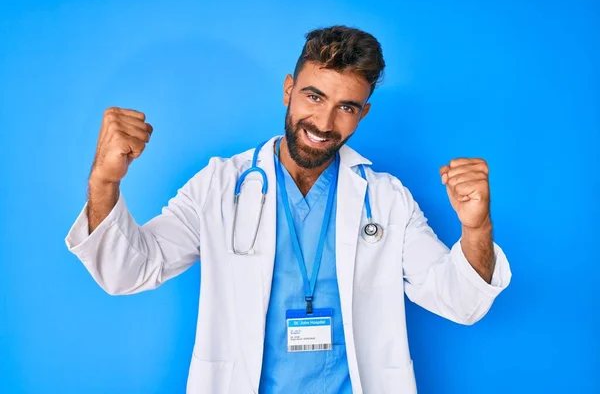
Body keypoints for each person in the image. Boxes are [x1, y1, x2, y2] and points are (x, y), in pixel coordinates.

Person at [65, 25, 511, 394]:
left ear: (363, 114)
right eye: (314, 97)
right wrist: (104, 182)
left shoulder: (386, 197)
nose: (323, 123)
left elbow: (460, 302)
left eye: (346, 108)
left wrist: (477, 227)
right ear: (288, 89)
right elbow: (129, 272)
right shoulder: (220, 185)